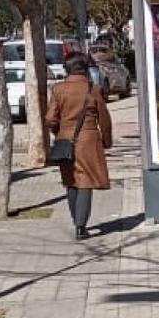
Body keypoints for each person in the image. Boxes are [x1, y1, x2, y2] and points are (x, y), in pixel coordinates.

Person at [45, 51, 113, 240]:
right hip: (89, 141)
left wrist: (59, 133)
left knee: (70, 181)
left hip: (64, 140)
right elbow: (104, 119)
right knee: (86, 181)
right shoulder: (93, 89)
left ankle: (77, 220)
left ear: (67, 68)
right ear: (85, 69)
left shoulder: (58, 89)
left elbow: (50, 119)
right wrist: (107, 140)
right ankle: (80, 226)